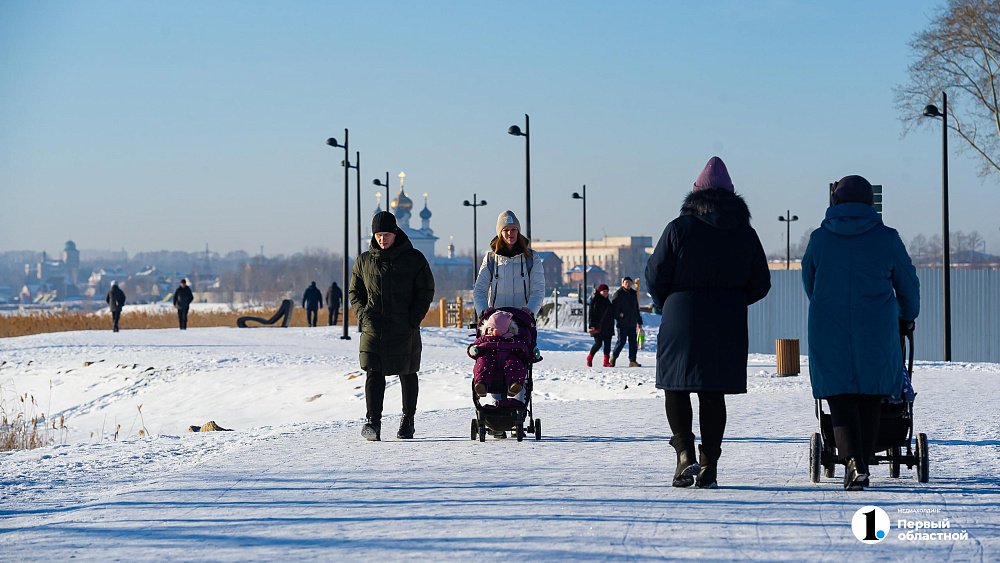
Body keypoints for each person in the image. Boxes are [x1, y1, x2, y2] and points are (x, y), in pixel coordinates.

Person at [645, 156, 771, 489]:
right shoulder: (745, 232)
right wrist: (732, 300)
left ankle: (684, 453)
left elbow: (655, 274)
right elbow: (761, 282)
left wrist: (665, 303)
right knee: (713, 394)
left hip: (681, 317)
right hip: (725, 321)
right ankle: (709, 464)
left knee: (676, 386)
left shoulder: (678, 228)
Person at [802, 174, 919, 491]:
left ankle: (852, 461)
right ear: (870, 203)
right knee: (871, 394)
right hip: (877, 328)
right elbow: (907, 284)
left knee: (839, 395)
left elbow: (809, 281)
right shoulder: (887, 238)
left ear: (836, 202)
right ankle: (862, 463)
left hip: (829, 326)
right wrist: (907, 316)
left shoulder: (819, 239)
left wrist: (827, 304)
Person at [349, 211, 435, 441]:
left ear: (395, 233)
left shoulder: (414, 259)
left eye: (386, 234)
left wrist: (413, 318)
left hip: (404, 326)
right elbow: (355, 292)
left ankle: (408, 420)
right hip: (373, 327)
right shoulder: (364, 260)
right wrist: (363, 314)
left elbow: (425, 290)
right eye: (378, 235)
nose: (382, 239)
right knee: (373, 373)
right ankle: (372, 422)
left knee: (407, 372)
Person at [473, 210, 545, 405]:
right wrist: (484, 315)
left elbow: (538, 290)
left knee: (519, 360)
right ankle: (498, 409)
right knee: (493, 360)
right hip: (496, 322)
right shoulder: (491, 259)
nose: (510, 234)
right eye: (506, 230)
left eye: (514, 230)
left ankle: (517, 408)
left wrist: (530, 310)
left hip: (521, 320)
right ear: (500, 233)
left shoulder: (531, 258)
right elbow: (479, 290)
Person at [468, 308, 532, 397]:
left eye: (493, 328)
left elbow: (523, 348)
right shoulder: (484, 339)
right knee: (483, 362)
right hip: (489, 358)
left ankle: (514, 385)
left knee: (515, 363)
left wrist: (523, 351)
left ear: (505, 330)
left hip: (508, 358)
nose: (489, 331)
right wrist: (474, 350)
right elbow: (473, 346)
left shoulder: (513, 339)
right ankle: (481, 384)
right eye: (488, 328)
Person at [610, 277, 643, 367]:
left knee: (633, 342)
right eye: (626, 282)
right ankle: (613, 358)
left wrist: (639, 321)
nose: (627, 284)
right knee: (621, 341)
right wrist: (619, 315)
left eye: (629, 282)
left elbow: (636, 308)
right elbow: (614, 308)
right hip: (622, 323)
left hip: (632, 323)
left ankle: (632, 361)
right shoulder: (618, 294)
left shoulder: (633, 294)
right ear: (623, 283)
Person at [586, 284, 614, 367]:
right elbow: (591, 314)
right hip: (598, 326)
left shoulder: (608, 301)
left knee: (608, 344)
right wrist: (592, 325)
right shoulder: (595, 300)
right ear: (599, 291)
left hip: (608, 326)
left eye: (606, 291)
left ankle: (606, 362)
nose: (605, 293)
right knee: (598, 344)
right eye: (603, 291)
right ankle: (590, 357)